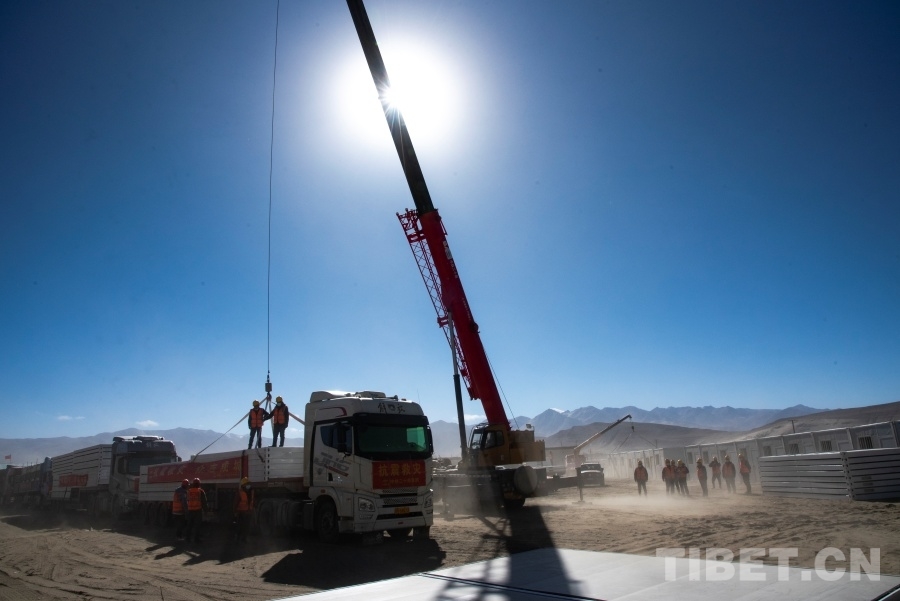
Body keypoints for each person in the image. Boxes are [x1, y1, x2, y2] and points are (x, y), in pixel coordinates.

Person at [184, 478, 208, 543]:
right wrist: (206, 510)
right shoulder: (200, 491)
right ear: (199, 484)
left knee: (189, 525)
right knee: (197, 525)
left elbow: (186, 500)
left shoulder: (189, 491)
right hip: (198, 511)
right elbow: (204, 502)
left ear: (193, 484)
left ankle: (187, 538)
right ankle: (196, 539)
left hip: (190, 510)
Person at [234, 477, 255, 543]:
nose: (248, 485)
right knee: (240, 526)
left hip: (248, 512)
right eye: (247, 484)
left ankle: (244, 538)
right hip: (241, 512)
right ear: (243, 485)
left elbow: (252, 501)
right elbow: (235, 503)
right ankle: (238, 538)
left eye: (249, 484)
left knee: (247, 526)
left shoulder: (251, 492)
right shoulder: (240, 493)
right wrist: (235, 512)